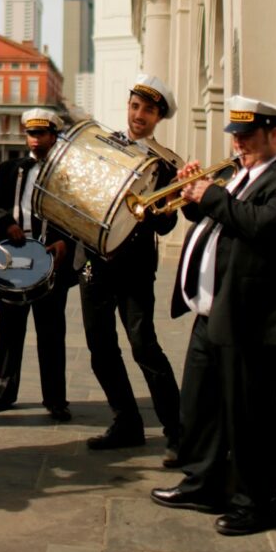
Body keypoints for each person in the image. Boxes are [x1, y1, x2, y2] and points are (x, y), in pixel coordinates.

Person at [151, 96, 276, 536]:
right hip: (212, 312)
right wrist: (192, 194)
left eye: (247, 137)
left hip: (254, 319)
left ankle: (256, 503)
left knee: (249, 416)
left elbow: (263, 226)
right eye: (235, 137)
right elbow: (214, 220)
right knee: (200, 406)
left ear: (275, 134)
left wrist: (211, 196)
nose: (239, 145)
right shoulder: (239, 174)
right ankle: (203, 483)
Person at [79, 75, 182, 462]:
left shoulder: (166, 163)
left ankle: (176, 431)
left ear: (159, 117)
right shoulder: (104, 145)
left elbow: (167, 225)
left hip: (136, 265)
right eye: (136, 106)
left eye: (149, 110)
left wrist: (150, 207)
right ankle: (126, 421)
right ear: (129, 106)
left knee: (145, 347)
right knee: (100, 348)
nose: (139, 116)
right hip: (94, 261)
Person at [0, 108, 75, 421]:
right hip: (16, 253)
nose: (34, 141)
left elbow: (79, 216)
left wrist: (66, 243)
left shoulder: (69, 173)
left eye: (41, 135)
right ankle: (2, 390)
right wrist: (6, 223)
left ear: (54, 136)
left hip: (51, 255)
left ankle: (55, 398)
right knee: (8, 326)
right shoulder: (10, 169)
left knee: (51, 330)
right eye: (30, 134)